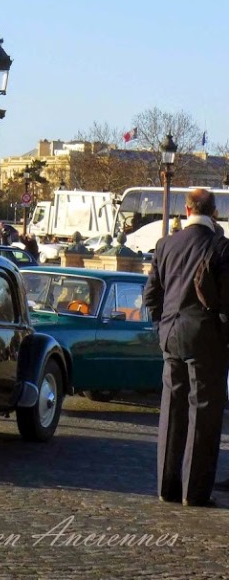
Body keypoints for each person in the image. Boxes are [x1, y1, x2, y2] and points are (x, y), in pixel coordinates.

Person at [143, 188, 229, 507]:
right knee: (203, 415)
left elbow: (151, 296)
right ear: (214, 213)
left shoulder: (166, 244)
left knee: (172, 410)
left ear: (187, 210)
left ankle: (167, 486)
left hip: (171, 334)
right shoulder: (221, 247)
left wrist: (162, 327)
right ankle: (194, 492)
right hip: (206, 337)